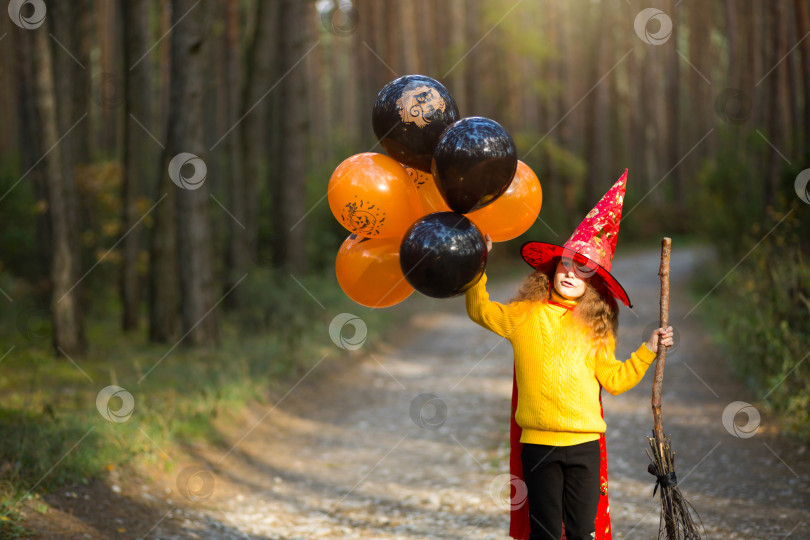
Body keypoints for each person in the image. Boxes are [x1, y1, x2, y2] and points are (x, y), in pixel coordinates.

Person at [465, 170, 674, 540]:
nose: (571, 272)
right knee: (545, 532)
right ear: (554, 264)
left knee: (581, 533)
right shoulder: (524, 314)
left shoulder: (597, 329)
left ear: (593, 282)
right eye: (567, 262)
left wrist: (648, 351)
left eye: (584, 268)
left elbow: (615, 380)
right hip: (539, 446)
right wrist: (477, 260)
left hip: (583, 447)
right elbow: (480, 309)